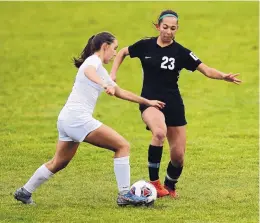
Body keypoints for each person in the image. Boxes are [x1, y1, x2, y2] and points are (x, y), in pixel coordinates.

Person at [14, 31, 166, 206]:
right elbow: (87, 71)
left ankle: (24, 192)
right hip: (77, 119)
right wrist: (103, 84)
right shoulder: (93, 61)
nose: (116, 53)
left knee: (58, 162)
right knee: (122, 146)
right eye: (114, 48)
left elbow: (119, 91)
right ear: (105, 47)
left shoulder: (100, 68)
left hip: (67, 119)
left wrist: (147, 101)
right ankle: (125, 194)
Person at [110, 10, 241, 198]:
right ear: (158, 27)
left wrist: (223, 76)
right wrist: (113, 74)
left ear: (177, 29)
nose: (168, 32)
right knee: (159, 132)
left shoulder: (182, 52)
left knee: (178, 157)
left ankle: (169, 186)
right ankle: (154, 183)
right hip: (150, 101)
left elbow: (206, 70)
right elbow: (123, 52)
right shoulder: (145, 45)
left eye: (173, 28)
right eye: (165, 27)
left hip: (174, 104)